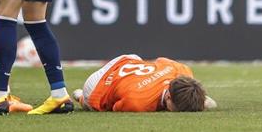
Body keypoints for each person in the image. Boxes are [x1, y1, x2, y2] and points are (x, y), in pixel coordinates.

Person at [71, 55, 213, 112]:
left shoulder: (182, 70)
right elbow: (114, 107)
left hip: (129, 60)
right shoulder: (138, 101)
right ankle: (81, 97)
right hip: (98, 83)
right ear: (169, 96)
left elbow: (161, 60)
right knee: (95, 104)